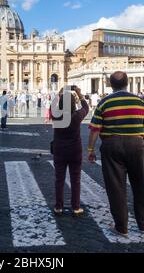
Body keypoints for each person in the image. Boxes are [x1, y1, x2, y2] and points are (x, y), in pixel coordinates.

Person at [88, 71, 144, 237]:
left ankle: (121, 227)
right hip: (136, 145)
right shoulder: (139, 101)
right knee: (139, 185)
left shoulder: (104, 102)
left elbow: (95, 129)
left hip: (112, 146)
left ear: (111, 84)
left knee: (116, 187)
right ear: (128, 82)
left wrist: (90, 150)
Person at [52, 86, 89, 216]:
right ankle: (76, 207)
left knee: (59, 179)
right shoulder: (77, 116)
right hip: (74, 150)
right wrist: (80, 94)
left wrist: (60, 92)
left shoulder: (56, 115)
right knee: (75, 179)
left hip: (59, 150)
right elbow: (86, 108)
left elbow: (54, 104)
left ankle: (58, 207)